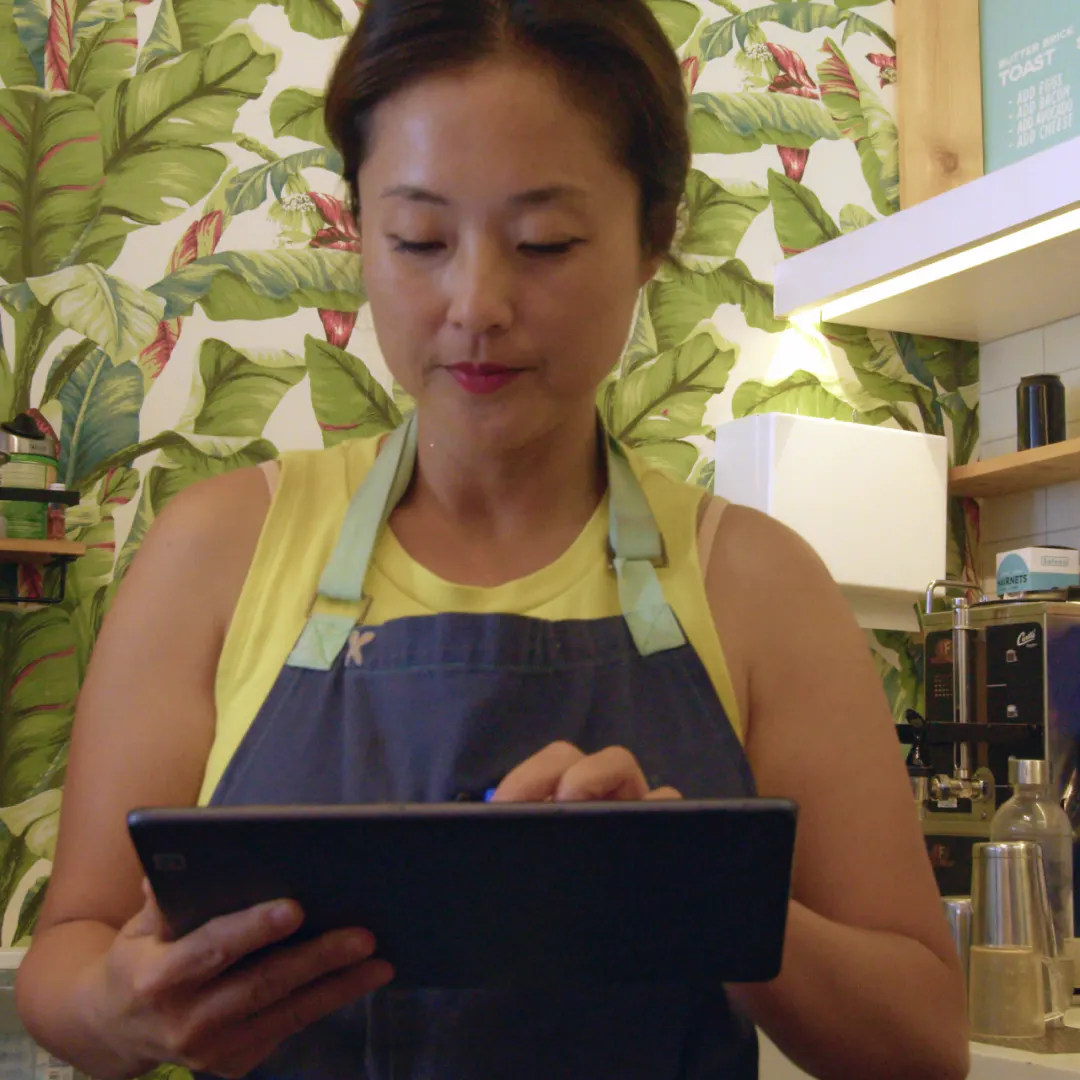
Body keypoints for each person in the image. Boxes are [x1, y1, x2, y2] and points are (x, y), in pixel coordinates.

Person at [15, 1, 968, 1077]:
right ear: (358, 228)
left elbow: (923, 1042)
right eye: (418, 239)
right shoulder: (214, 553)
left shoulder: (757, 584)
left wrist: (696, 890)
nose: (477, 303)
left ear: (656, 233)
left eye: (544, 243)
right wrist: (119, 1008)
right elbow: (67, 959)